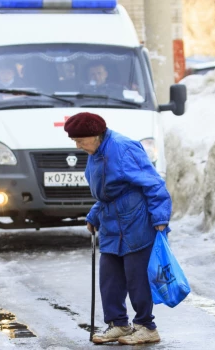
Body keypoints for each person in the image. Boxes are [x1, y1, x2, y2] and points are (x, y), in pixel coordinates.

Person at [63, 112, 172, 345]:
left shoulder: (124, 148)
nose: (78, 145)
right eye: (75, 141)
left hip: (136, 221)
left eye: (81, 140)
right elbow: (106, 192)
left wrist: (160, 216)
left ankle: (146, 326)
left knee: (137, 278)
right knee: (109, 276)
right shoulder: (95, 152)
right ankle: (119, 324)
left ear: (96, 135)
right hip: (112, 223)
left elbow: (153, 183)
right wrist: (94, 215)